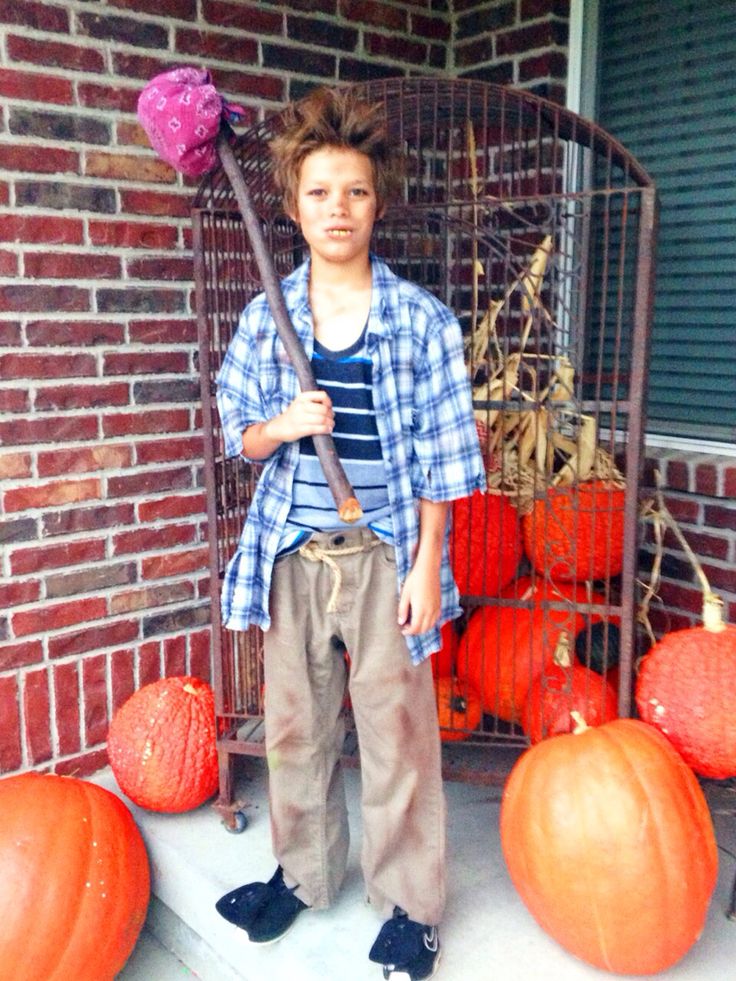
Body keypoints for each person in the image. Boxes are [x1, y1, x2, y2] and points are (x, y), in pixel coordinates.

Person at [214, 85, 485, 981]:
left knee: (396, 734)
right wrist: (285, 425)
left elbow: (446, 461)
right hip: (295, 553)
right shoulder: (268, 319)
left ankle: (409, 904)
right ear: (291, 207)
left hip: (381, 556)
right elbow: (238, 435)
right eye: (321, 192)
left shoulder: (420, 321)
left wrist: (424, 564)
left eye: (357, 191)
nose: (339, 208)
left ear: (379, 203)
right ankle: (302, 873)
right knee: (295, 727)